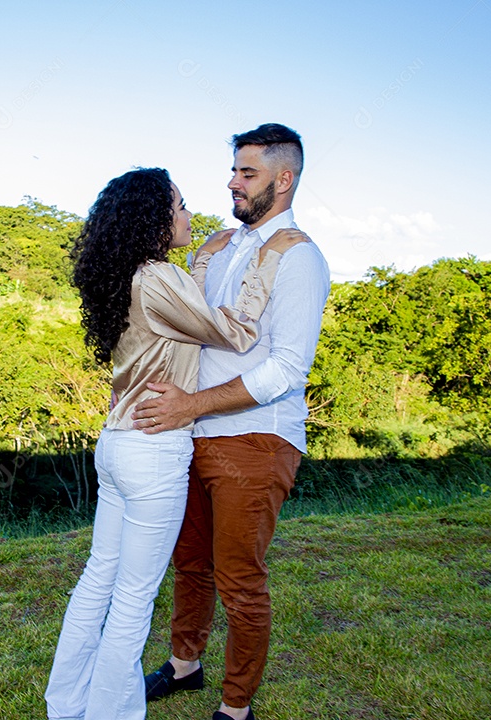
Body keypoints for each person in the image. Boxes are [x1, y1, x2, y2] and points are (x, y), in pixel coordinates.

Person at [44, 167, 309, 720]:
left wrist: (207, 260)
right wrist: (268, 258)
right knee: (134, 598)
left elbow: (186, 312)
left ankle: (67, 705)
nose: (192, 214)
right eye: (182, 205)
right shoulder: (160, 275)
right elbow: (235, 332)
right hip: (154, 449)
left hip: (118, 441)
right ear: (156, 218)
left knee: (98, 580)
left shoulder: (125, 273)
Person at [133, 124, 331, 720]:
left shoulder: (301, 258)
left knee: (239, 578)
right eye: (234, 170)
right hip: (189, 435)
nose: (232, 182)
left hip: (257, 438)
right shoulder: (213, 248)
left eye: (247, 172)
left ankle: (236, 705)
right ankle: (185, 666)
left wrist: (190, 405)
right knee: (188, 562)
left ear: (283, 178)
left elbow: (287, 369)